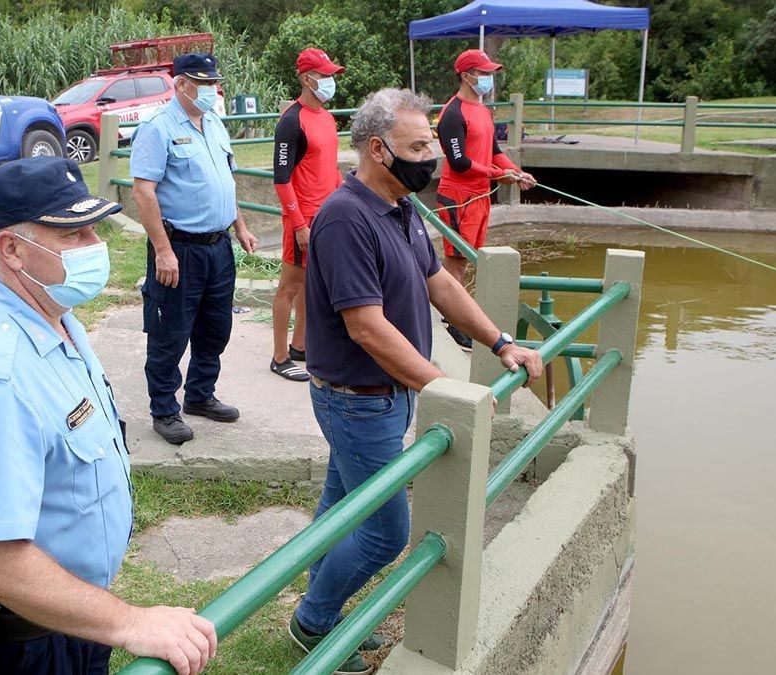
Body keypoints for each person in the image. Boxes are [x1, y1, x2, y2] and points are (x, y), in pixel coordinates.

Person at [0, 156, 217, 675]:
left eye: (94, 229)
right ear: (11, 249)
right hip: (18, 639)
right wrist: (129, 622)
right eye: (73, 234)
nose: (96, 245)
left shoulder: (52, 316)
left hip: (65, 615)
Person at [289, 89, 544, 674]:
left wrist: (500, 342)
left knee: (341, 507)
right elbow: (366, 328)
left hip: (388, 395)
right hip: (357, 400)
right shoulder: (346, 218)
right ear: (378, 150)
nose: (432, 156)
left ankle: (318, 599)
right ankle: (313, 622)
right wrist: (446, 387)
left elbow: (441, 284)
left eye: (431, 144)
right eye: (419, 146)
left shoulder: (399, 206)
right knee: (386, 532)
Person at [130, 52, 260, 445]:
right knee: (169, 333)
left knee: (215, 328)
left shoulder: (215, 123)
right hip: (179, 249)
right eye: (203, 84)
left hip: (218, 247)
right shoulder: (157, 128)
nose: (211, 90)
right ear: (181, 84)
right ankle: (164, 409)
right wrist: (163, 250)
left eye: (213, 83)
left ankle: (200, 394)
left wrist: (240, 226)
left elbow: (226, 182)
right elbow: (144, 192)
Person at [436, 48, 537, 350]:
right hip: (458, 197)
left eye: (490, 73)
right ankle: (454, 322)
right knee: (456, 261)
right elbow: (459, 162)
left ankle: (458, 316)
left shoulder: (483, 111)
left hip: (480, 196)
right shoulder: (453, 114)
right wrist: (498, 175)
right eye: (484, 73)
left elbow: (494, 152)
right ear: (467, 76)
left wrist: (516, 172)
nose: (489, 78)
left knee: (468, 259)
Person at [268, 48, 346, 382]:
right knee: (290, 286)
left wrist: (345, 197)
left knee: (313, 285)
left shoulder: (326, 118)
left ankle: (301, 345)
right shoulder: (291, 121)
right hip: (303, 217)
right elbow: (281, 179)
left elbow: (330, 168)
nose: (329, 81)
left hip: (326, 216)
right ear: (306, 79)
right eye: (324, 75)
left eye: (331, 75)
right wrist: (298, 223)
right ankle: (280, 357)